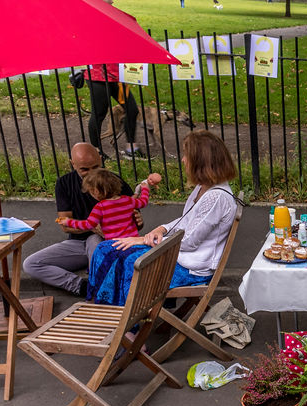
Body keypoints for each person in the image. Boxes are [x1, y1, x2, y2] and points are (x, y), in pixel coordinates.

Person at [87, 130, 237, 306]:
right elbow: (186, 221)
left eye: (186, 155)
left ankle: (129, 324)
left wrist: (143, 240)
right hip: (180, 256)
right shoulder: (204, 188)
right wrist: (161, 229)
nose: (183, 160)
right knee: (106, 248)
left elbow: (189, 241)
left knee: (128, 261)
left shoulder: (216, 197)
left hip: (191, 268)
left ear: (200, 161)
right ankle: (102, 307)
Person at [23, 143, 135, 297]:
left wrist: (137, 222)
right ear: (73, 164)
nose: (90, 174)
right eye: (84, 169)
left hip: (107, 241)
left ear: (101, 160)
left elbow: (132, 221)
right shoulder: (64, 183)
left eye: (95, 167)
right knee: (31, 264)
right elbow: (65, 224)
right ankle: (82, 286)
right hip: (76, 243)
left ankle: (103, 291)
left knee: (95, 241)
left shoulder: (113, 181)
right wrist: (92, 226)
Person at [83, 0, 142, 159]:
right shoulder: (87, 18)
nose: (112, 1)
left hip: (116, 77)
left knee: (131, 109)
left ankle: (131, 150)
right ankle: (97, 152)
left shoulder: (112, 15)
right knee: (99, 113)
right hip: (97, 78)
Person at [57, 170, 158, 241]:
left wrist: (68, 222)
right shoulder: (128, 200)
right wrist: (145, 189)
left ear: (95, 191)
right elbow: (143, 202)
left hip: (114, 244)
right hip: (133, 241)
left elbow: (88, 225)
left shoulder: (100, 207)